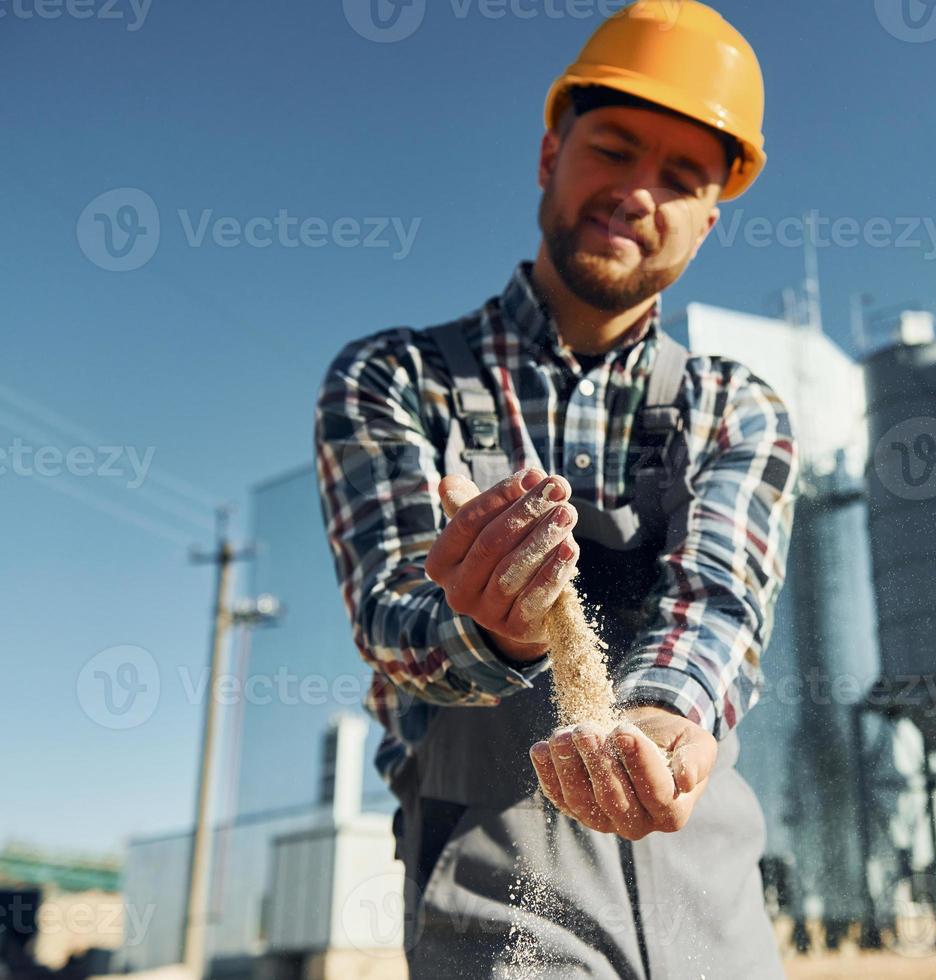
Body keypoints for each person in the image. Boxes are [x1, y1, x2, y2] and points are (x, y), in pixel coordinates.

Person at [312, 3, 797, 976]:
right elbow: (394, 616)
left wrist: (659, 723)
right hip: (500, 883)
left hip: (703, 876)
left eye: (680, 178)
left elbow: (717, 603)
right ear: (548, 154)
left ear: (711, 215)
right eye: (612, 149)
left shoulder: (737, 410)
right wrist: (492, 631)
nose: (635, 192)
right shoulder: (397, 381)